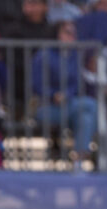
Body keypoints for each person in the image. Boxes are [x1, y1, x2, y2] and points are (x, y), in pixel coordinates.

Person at [31, 19, 97, 169]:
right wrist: (53, 95)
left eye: (74, 33)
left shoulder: (74, 56)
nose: (71, 37)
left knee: (85, 117)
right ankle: (96, 153)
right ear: (57, 34)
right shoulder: (44, 55)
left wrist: (66, 94)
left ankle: (78, 164)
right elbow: (35, 84)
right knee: (91, 105)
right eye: (67, 33)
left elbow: (76, 84)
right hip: (46, 107)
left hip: (69, 105)